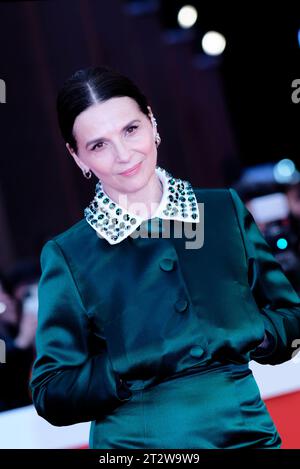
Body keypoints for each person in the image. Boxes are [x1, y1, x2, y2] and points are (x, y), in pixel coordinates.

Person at [29, 65, 300, 449]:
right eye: (99, 145)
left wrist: (255, 330)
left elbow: (292, 319)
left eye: (130, 129)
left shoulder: (222, 211)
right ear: (78, 158)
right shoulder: (68, 254)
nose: (123, 155)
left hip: (249, 436)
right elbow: (51, 392)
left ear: (152, 122)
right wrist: (126, 362)